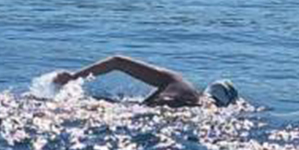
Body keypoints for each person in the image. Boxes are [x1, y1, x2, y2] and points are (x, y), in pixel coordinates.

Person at [51, 55, 239, 108]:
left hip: (136, 113)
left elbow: (118, 61)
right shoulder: (207, 111)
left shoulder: (178, 82)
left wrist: (73, 77)